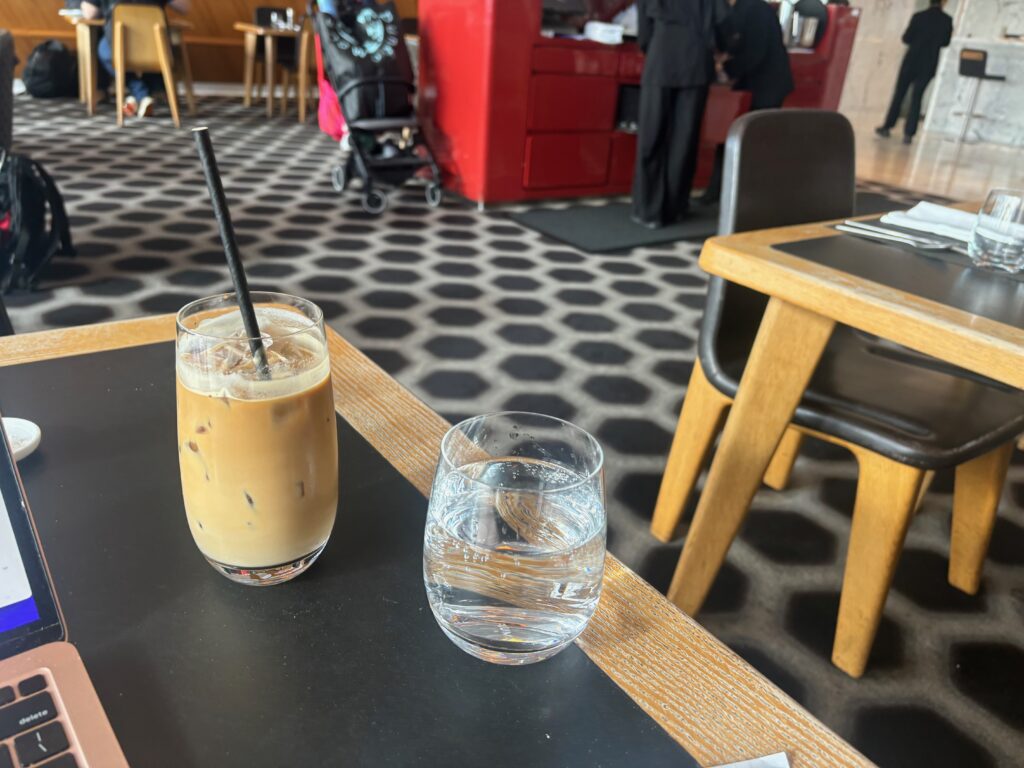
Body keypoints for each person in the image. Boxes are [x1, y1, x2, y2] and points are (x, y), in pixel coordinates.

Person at [632, 0, 728, 229]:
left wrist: (653, 48)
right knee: (684, 140)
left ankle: (648, 210)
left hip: (661, 59)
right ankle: (675, 209)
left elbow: (644, 32)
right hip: (697, 65)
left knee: (652, 137)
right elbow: (722, 22)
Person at [698, 0, 793, 204]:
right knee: (730, 135)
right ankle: (717, 192)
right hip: (751, 84)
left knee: (753, 139)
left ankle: (750, 196)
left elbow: (754, 52)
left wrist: (726, 69)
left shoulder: (755, 9)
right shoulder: (740, 8)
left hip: (768, 84)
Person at [80, 0, 191, 119]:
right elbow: (184, 7)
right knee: (159, 53)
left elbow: (89, 13)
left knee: (105, 52)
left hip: (119, 46)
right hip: (156, 47)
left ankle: (139, 93)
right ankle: (144, 94)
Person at [875, 0, 952, 145]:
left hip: (911, 61)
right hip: (929, 63)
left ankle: (887, 126)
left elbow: (906, 38)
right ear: (943, 3)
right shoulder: (947, 20)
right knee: (917, 97)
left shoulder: (918, 16)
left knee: (900, 94)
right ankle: (909, 133)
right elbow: (945, 42)